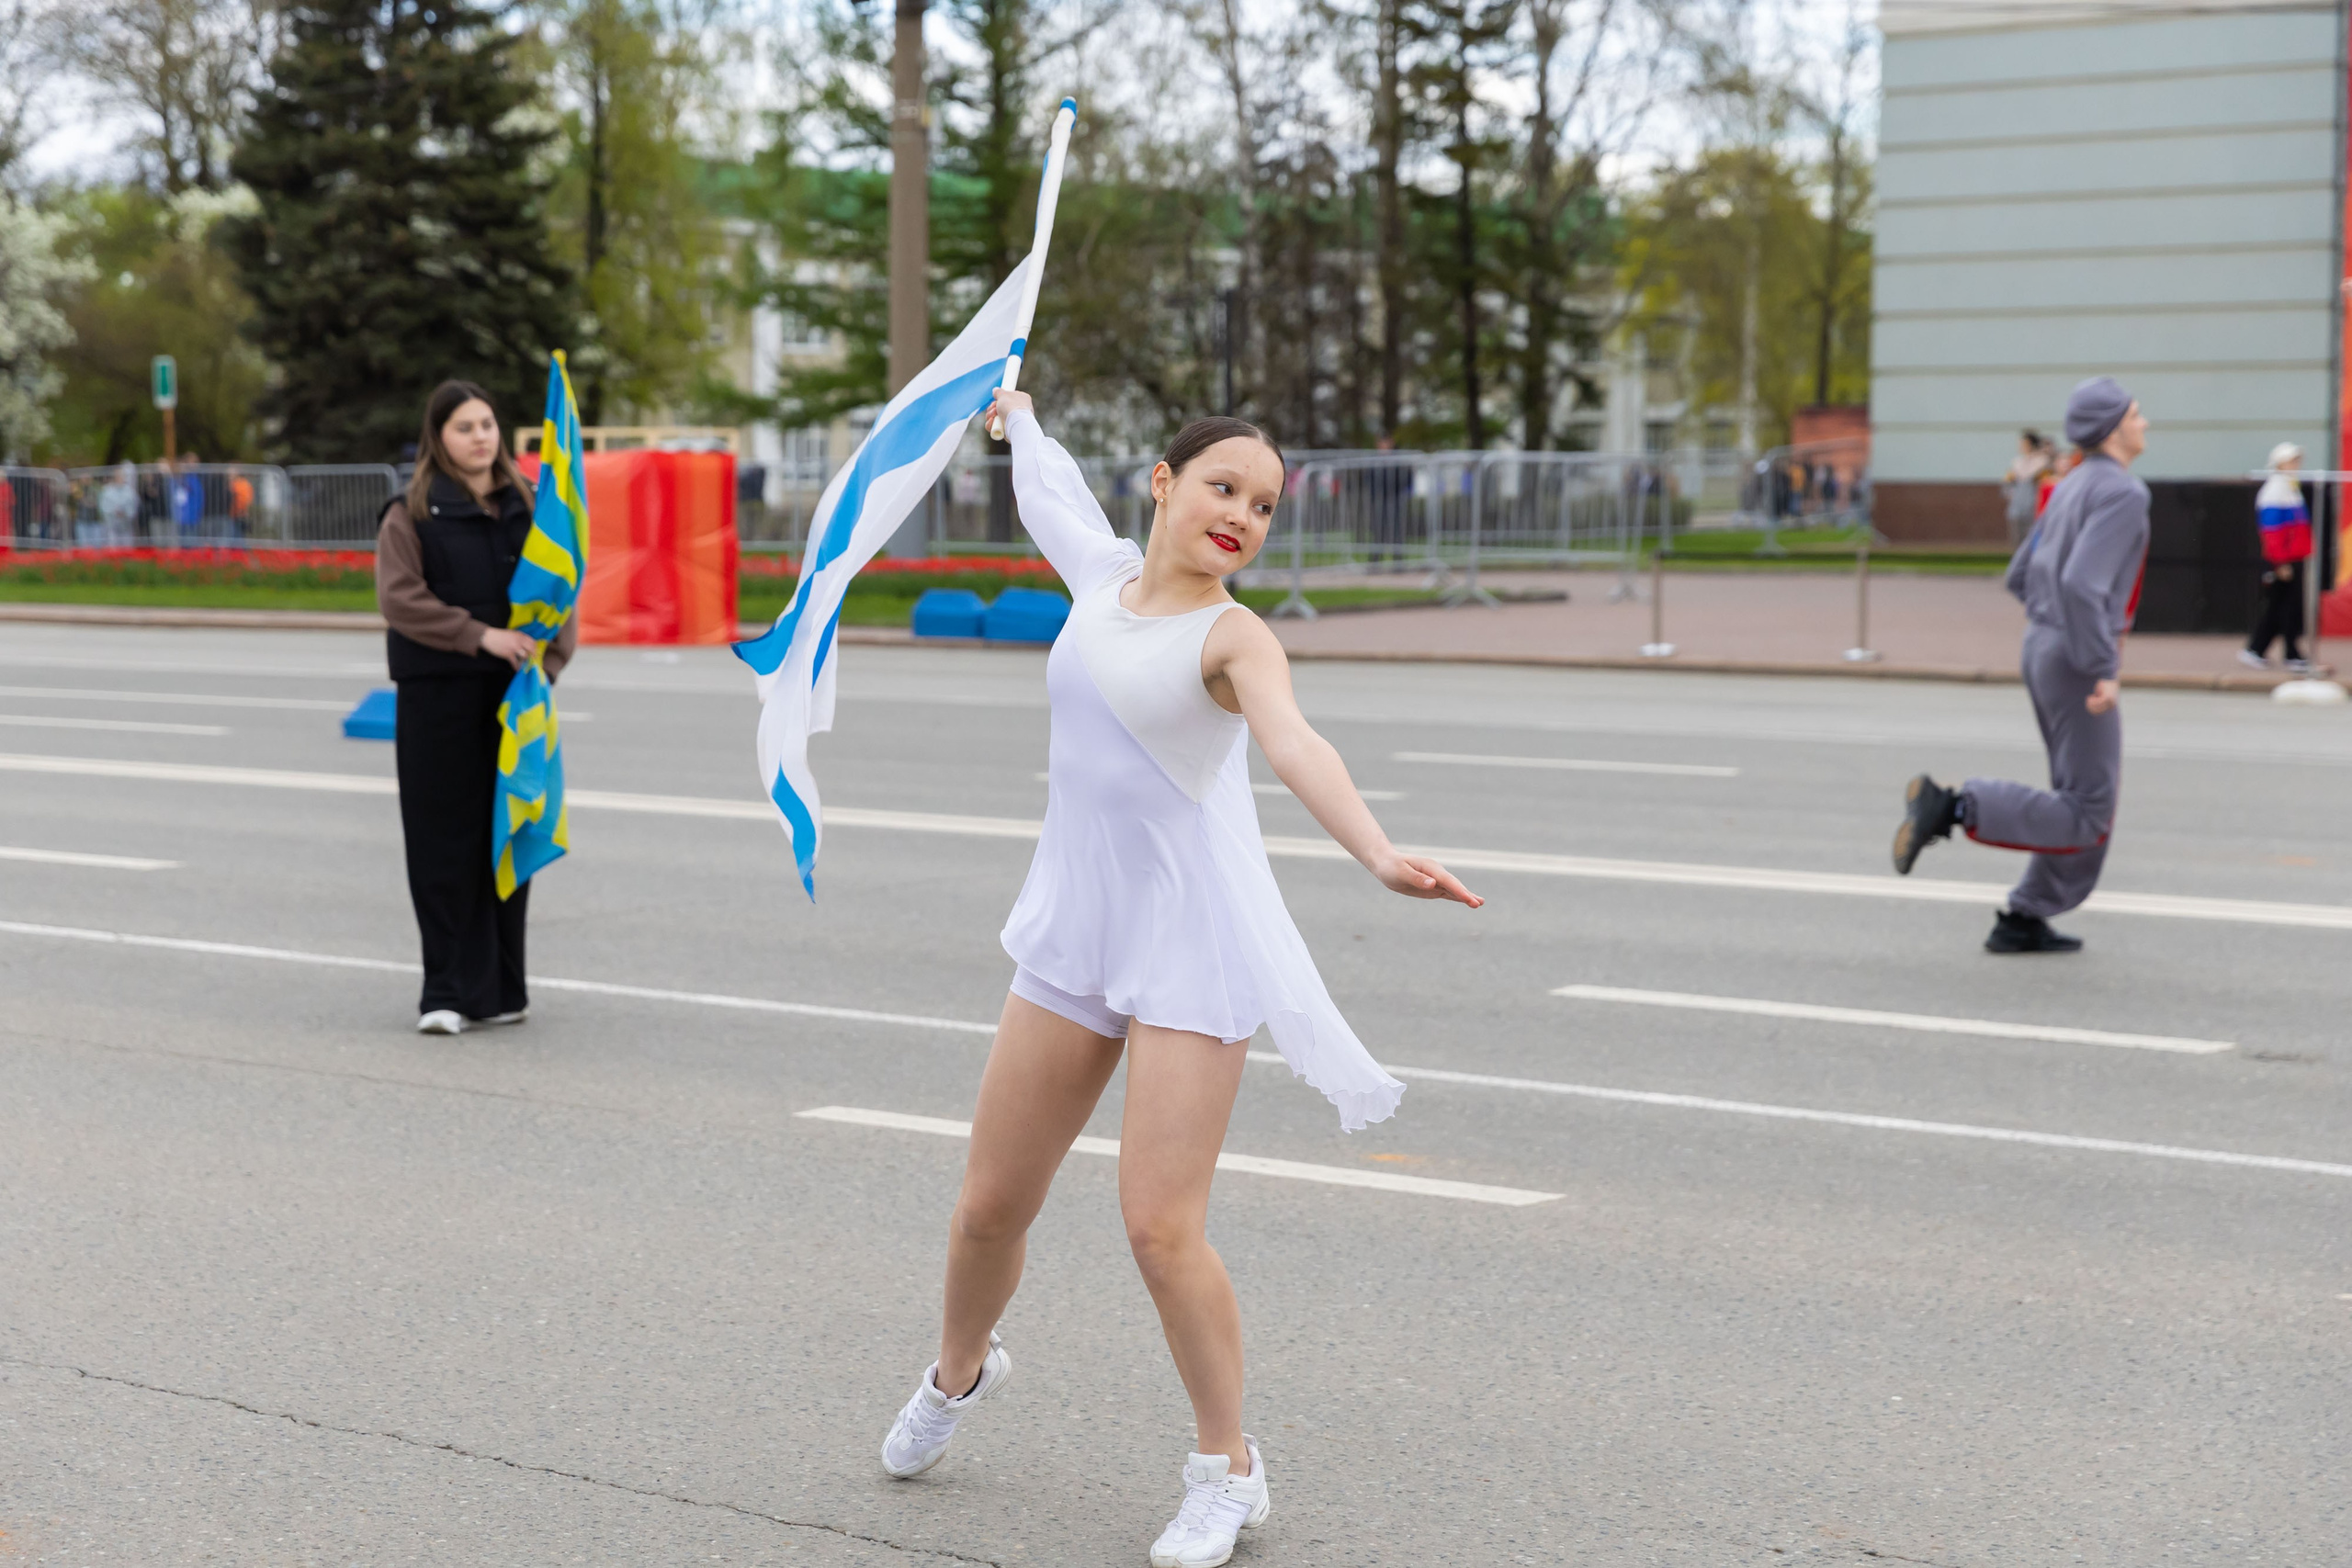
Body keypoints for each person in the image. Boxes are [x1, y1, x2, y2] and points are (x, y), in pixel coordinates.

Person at [877, 388, 1481, 1568]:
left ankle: (1228, 1470)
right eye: (1224, 489)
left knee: (1159, 1228)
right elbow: (1045, 487)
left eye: (1262, 507)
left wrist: (1375, 851)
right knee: (988, 1205)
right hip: (1076, 932)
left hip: (1187, 947)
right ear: (1163, 483)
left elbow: (1296, 742)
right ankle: (957, 1374)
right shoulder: (1100, 579)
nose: (1242, 517)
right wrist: (1018, 417)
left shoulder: (1234, 637)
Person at [1891, 376, 2151, 953]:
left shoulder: (2071, 484)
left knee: (2078, 795)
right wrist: (2102, 663)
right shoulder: (2122, 493)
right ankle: (1955, 806)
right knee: (2087, 809)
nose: (2145, 423)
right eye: (2136, 414)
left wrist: (2054, 628)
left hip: (2043, 644)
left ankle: (2025, 917)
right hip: (2077, 655)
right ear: (2112, 428)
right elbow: (2085, 585)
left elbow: (2019, 574)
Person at [374, 379, 575, 1034]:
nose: (481, 436)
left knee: (507, 832)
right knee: (442, 845)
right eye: (464, 427)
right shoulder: (413, 511)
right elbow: (400, 598)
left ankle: (503, 990)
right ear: (440, 438)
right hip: (438, 696)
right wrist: (477, 635)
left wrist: (548, 662)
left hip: (512, 699)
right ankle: (446, 992)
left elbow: (562, 585)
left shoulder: (532, 506)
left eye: (487, 423)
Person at [2241, 442, 2313, 671]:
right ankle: (2290, 653)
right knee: (2287, 607)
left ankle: (2256, 649)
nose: (2297, 465)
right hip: (2283, 559)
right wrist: (2279, 561)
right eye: (2292, 460)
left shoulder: (2290, 488)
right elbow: (2271, 532)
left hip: (2293, 556)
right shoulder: (2276, 490)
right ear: (2280, 463)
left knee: (2280, 606)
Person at [2004, 430, 2052, 543]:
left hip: (2034, 507)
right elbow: (2007, 486)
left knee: (2034, 540)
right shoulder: (2017, 463)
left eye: (2024, 443)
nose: (2021, 447)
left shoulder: (2042, 462)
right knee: (2017, 540)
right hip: (2017, 507)